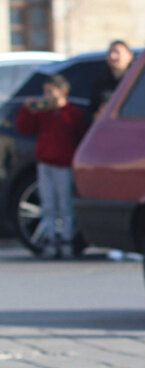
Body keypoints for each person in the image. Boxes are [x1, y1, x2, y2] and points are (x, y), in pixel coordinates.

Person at [15, 73, 87, 259]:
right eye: (45, 92)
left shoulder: (72, 114)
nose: (46, 96)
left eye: (50, 92)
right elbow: (24, 128)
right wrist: (27, 109)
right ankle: (50, 239)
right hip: (45, 163)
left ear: (62, 92)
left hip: (63, 164)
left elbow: (80, 136)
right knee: (48, 204)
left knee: (64, 204)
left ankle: (66, 240)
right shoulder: (43, 113)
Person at [89, 39, 134, 118]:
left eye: (117, 52)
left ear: (129, 55)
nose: (112, 56)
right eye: (110, 52)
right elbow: (92, 109)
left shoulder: (137, 79)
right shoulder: (100, 81)